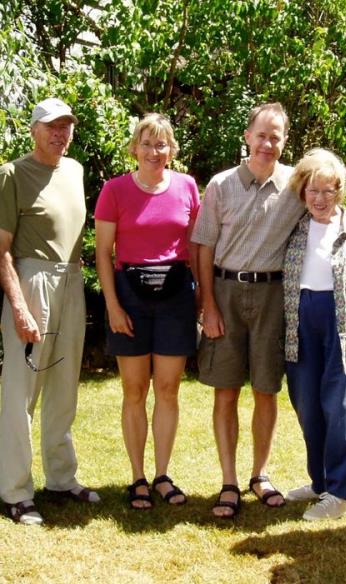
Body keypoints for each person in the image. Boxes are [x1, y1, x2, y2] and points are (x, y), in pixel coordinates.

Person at [192, 102, 346, 518]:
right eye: (262, 135)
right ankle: (230, 482)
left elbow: (336, 203)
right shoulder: (222, 185)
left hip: (278, 298)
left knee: (268, 389)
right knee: (239, 392)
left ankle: (262, 476)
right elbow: (201, 246)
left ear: (285, 141)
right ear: (247, 136)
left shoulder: (294, 184)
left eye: (276, 136)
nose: (268, 143)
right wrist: (207, 304)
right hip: (228, 292)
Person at [0, 97, 100, 525]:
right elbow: (1, 250)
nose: (60, 134)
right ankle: (14, 490)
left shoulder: (75, 171)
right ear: (34, 130)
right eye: (51, 127)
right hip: (31, 280)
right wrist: (20, 307)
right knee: (21, 390)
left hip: (72, 280)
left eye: (66, 127)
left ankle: (61, 478)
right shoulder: (12, 174)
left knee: (64, 383)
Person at [95, 113, 200, 509]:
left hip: (175, 297)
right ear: (134, 148)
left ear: (171, 150)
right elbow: (103, 254)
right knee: (135, 389)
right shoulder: (115, 190)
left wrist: (202, 297)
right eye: (146, 143)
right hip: (130, 298)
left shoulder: (188, 187)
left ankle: (162, 475)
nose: (154, 152)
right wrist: (112, 305)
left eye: (162, 144)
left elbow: (195, 249)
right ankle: (137, 477)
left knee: (169, 389)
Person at [283, 149, 346, 520]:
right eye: (313, 191)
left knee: (341, 409)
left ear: (340, 193)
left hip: (345, 329)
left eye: (329, 191)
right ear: (302, 192)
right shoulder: (293, 226)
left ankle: (341, 493)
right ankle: (320, 481)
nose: (320, 199)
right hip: (299, 323)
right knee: (307, 405)